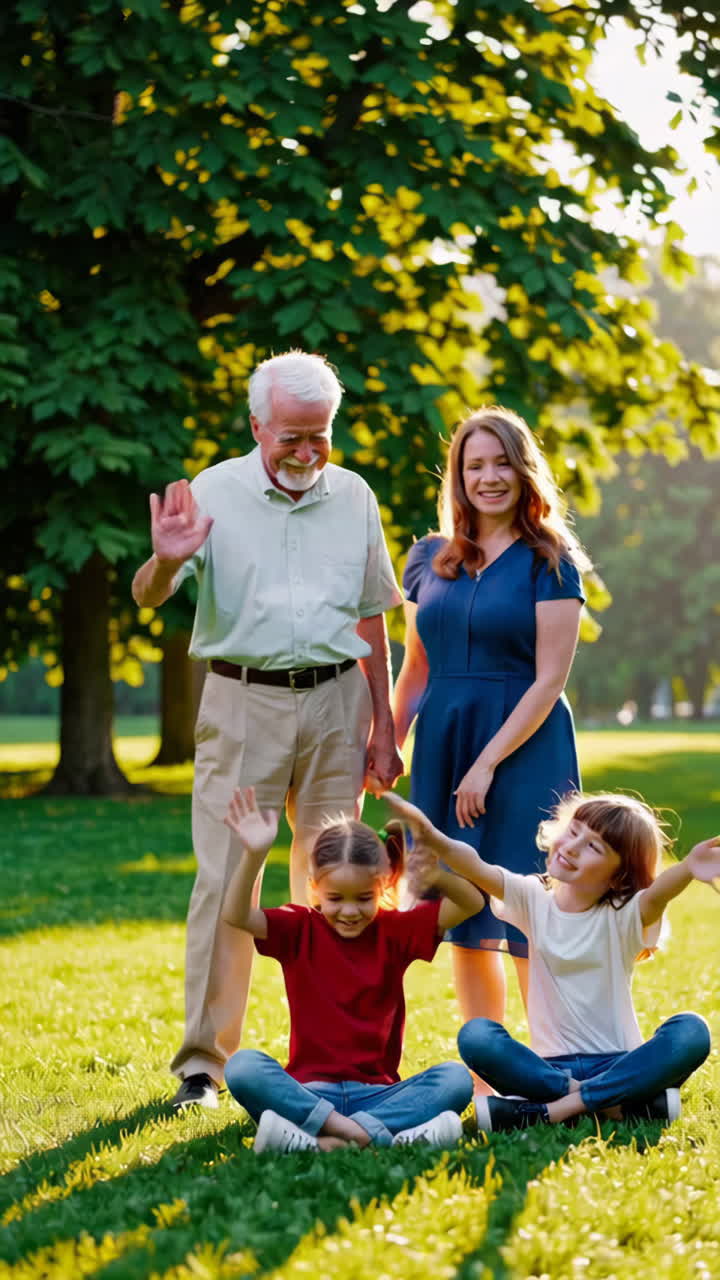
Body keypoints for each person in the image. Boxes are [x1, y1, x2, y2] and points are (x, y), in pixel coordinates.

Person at [131, 351, 404, 1110]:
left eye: (320, 435)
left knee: (334, 883)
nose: (308, 451)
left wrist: (382, 723)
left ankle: (330, 1057)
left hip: (335, 703)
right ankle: (203, 1066)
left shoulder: (354, 497)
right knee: (226, 877)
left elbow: (371, 616)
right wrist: (163, 561)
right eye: (292, 435)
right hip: (242, 701)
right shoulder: (210, 493)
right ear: (257, 425)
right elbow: (148, 595)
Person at [392, 405, 592, 1053]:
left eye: (502, 461)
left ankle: (554, 1061)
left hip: (525, 746)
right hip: (442, 746)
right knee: (464, 911)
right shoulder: (427, 559)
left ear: (523, 468)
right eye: (474, 465)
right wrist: (386, 744)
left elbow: (550, 680)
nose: (489, 477)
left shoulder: (551, 559)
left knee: (531, 909)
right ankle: (489, 1072)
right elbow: (415, 669)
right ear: (457, 476)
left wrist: (487, 762)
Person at [384, 790, 715, 1132]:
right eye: (574, 832)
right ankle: (616, 1103)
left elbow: (657, 895)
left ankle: (549, 1111)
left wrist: (689, 868)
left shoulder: (624, 916)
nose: (572, 846)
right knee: (477, 1036)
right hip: (548, 1072)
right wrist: (433, 837)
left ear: (618, 876)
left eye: (593, 847)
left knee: (691, 1031)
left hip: (619, 1061)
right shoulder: (533, 899)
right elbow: (477, 867)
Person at [220, 786, 481, 1153]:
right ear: (314, 889)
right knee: (243, 1066)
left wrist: (437, 877)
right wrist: (253, 854)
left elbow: (471, 902)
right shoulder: (299, 928)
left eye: (363, 898)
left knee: (454, 1078)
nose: (349, 911)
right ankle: (367, 1136)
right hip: (309, 1092)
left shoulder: (394, 930)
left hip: (380, 1094)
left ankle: (319, 1142)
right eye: (335, 899)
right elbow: (236, 914)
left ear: (383, 886)